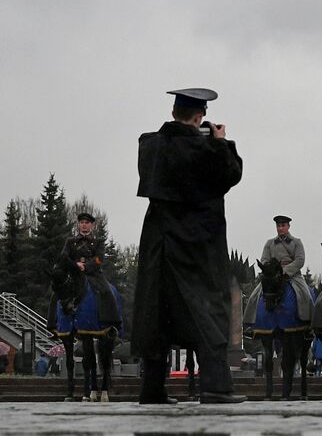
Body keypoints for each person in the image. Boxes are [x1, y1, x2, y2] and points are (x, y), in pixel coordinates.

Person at [132, 87, 245, 405]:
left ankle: (152, 389)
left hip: (159, 244)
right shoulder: (206, 148)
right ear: (199, 117)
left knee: (157, 314)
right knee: (207, 310)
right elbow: (231, 174)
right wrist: (220, 142)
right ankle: (216, 387)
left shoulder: (150, 145)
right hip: (198, 246)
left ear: (172, 114)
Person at [243, 215, 313, 325]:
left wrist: (285, 271)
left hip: (293, 275)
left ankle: (309, 324)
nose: (280, 228)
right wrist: (271, 270)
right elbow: (264, 260)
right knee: (253, 296)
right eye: (278, 225)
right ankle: (250, 324)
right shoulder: (269, 243)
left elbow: (300, 260)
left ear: (288, 226)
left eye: (283, 225)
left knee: (306, 295)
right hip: (273, 275)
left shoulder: (296, 242)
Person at [57, 212, 123, 326]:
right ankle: (53, 325)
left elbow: (99, 259)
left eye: (86, 223)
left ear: (92, 225)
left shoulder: (98, 242)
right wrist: (74, 265)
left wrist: (85, 266)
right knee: (56, 292)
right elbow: (64, 257)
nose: (83, 225)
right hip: (73, 274)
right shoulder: (70, 241)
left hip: (93, 274)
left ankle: (112, 325)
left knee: (107, 292)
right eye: (81, 222)